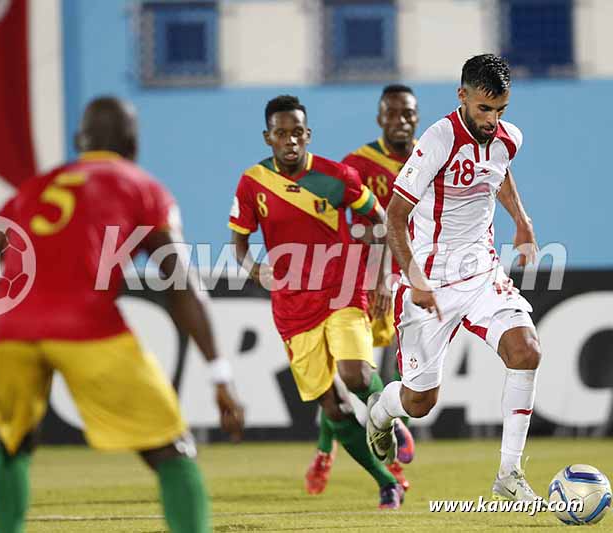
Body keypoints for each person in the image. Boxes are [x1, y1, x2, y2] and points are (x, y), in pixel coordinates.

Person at [0, 96, 245, 533]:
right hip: (86, 328)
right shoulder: (142, 187)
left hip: (10, 330)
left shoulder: (35, 189)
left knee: (13, 446)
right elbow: (181, 284)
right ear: (134, 144)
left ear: (80, 140)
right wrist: (220, 373)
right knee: (173, 449)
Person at [365, 54, 541, 502]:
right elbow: (395, 216)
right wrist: (415, 278)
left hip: (482, 273)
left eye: (500, 110)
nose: (492, 120)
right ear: (462, 95)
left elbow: (498, 172)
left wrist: (522, 221)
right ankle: (381, 412)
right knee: (420, 402)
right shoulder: (438, 139)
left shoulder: (508, 138)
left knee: (526, 351)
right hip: (430, 281)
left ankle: (510, 473)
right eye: (484, 109)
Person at [229, 95, 405, 509]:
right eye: (281, 133)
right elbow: (239, 243)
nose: (290, 141)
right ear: (268, 137)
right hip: (292, 308)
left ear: (307, 134)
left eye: (297, 133)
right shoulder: (253, 182)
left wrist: (381, 277)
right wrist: (256, 270)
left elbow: (380, 220)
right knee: (334, 407)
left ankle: (389, 421)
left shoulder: (338, 176)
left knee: (355, 374)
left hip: (343, 290)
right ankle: (386, 482)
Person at [306, 85, 419, 495]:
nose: (400, 120)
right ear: (380, 119)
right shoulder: (357, 164)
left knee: (406, 377)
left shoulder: (431, 159)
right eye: (392, 113)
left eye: (407, 113)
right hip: (366, 283)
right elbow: (350, 225)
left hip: (417, 280)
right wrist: (377, 275)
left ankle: (359, 448)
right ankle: (333, 451)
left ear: (417, 117)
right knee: (354, 372)